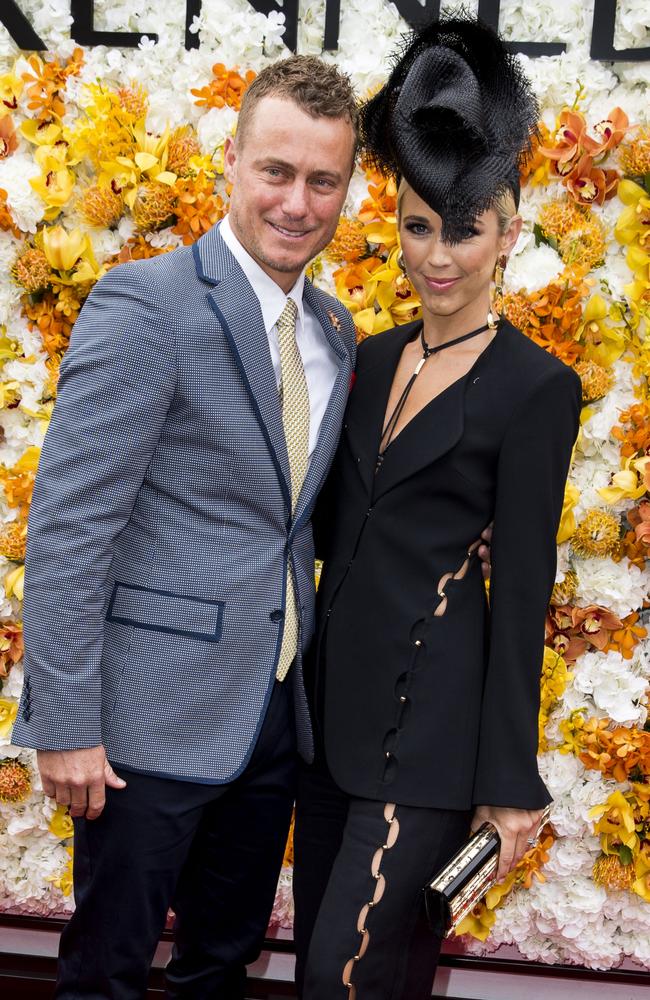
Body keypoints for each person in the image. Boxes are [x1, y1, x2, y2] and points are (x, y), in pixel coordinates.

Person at [10, 56, 361, 999]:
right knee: (109, 974)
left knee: (223, 964)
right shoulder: (148, 305)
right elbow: (70, 528)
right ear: (231, 166)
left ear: (347, 190)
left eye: (322, 180)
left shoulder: (334, 329)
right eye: (276, 172)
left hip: (273, 722)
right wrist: (67, 724)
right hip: (140, 732)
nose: (297, 201)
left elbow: (297, 510)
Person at [293, 16, 582, 1000]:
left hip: (427, 735)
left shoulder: (533, 387)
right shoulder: (366, 358)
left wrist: (507, 783)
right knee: (326, 976)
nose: (439, 255)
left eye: (464, 228)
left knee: (346, 974)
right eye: (419, 225)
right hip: (328, 724)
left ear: (507, 229)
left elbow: (524, 587)